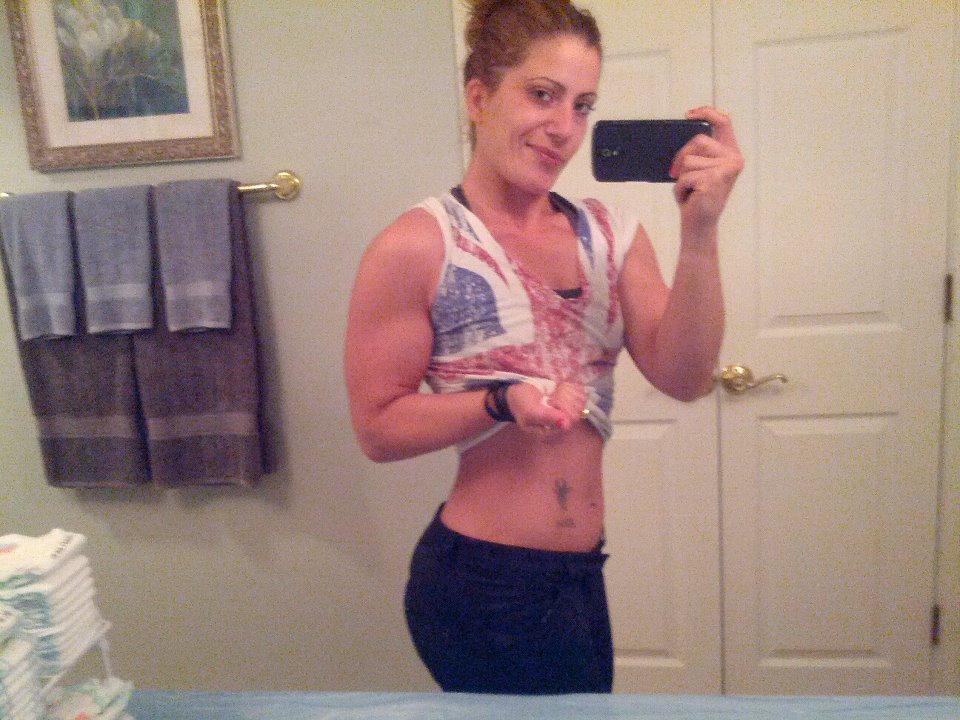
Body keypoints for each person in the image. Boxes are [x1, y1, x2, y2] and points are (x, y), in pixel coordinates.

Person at [344, 0, 743, 695]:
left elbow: (685, 376)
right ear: (478, 97)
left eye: (583, 106)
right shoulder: (420, 244)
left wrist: (701, 230)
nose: (565, 128)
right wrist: (500, 401)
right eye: (542, 94)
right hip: (480, 582)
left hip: (579, 576)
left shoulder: (612, 235)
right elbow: (378, 428)